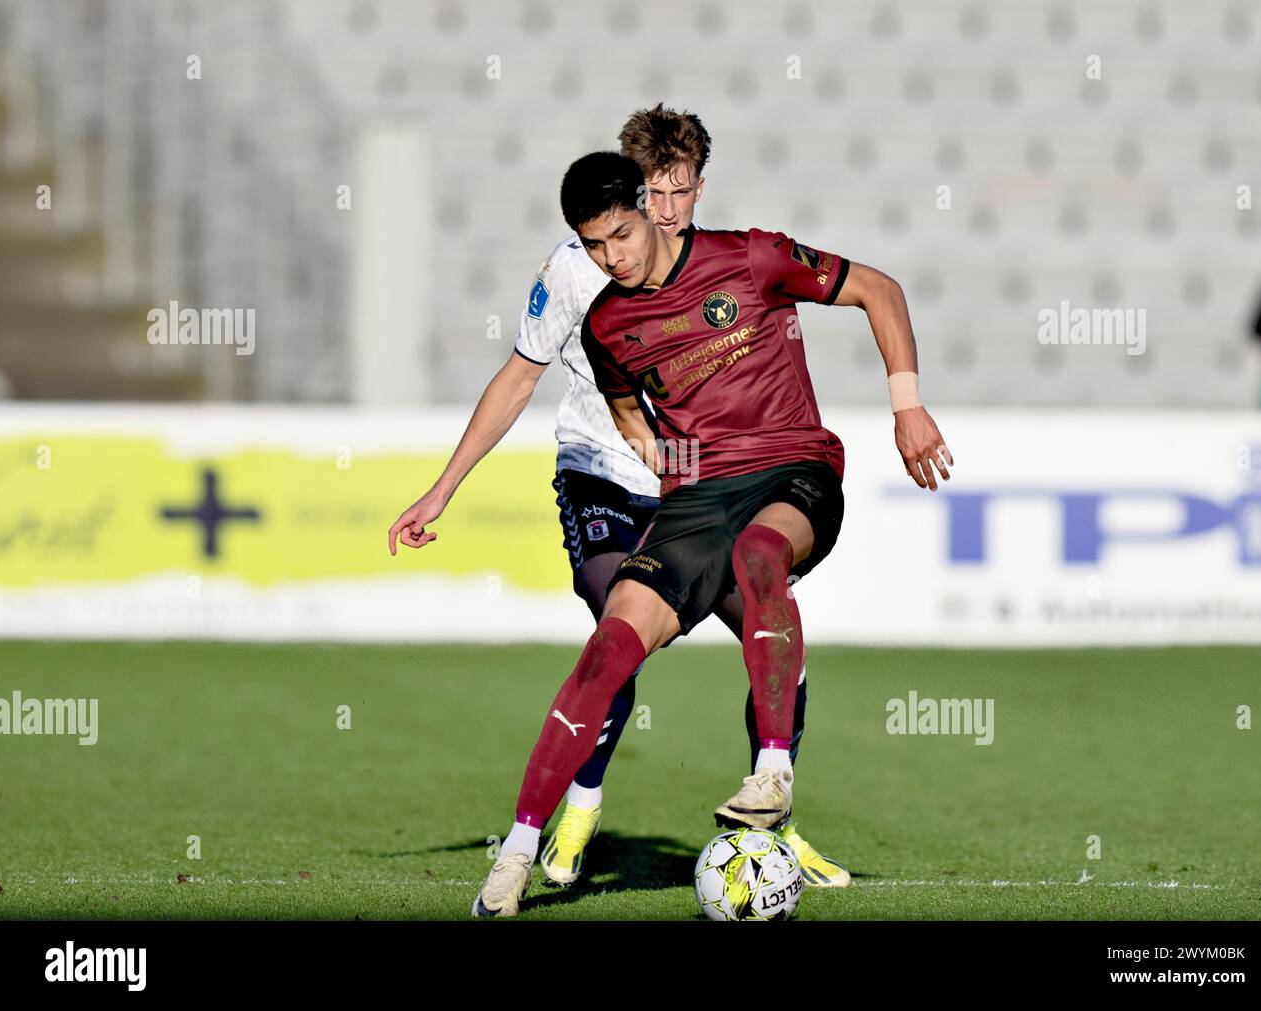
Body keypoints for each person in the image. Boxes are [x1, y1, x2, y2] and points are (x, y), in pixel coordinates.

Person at [469, 151, 952, 917]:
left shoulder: (751, 256)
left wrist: (908, 406)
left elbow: (878, 289)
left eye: (620, 234)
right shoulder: (607, 325)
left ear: (647, 207)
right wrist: (669, 466)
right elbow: (629, 411)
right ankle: (521, 849)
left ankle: (772, 777)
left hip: (794, 469)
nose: (611, 257)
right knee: (610, 643)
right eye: (593, 246)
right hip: (700, 496)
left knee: (760, 555)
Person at [389, 106, 845, 895]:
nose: (669, 211)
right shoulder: (574, 270)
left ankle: (773, 824)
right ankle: (580, 804)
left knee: (780, 642)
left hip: (697, 486)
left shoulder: (713, 260)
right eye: (656, 195)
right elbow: (519, 375)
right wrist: (443, 487)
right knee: (618, 625)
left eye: (682, 194)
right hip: (605, 469)